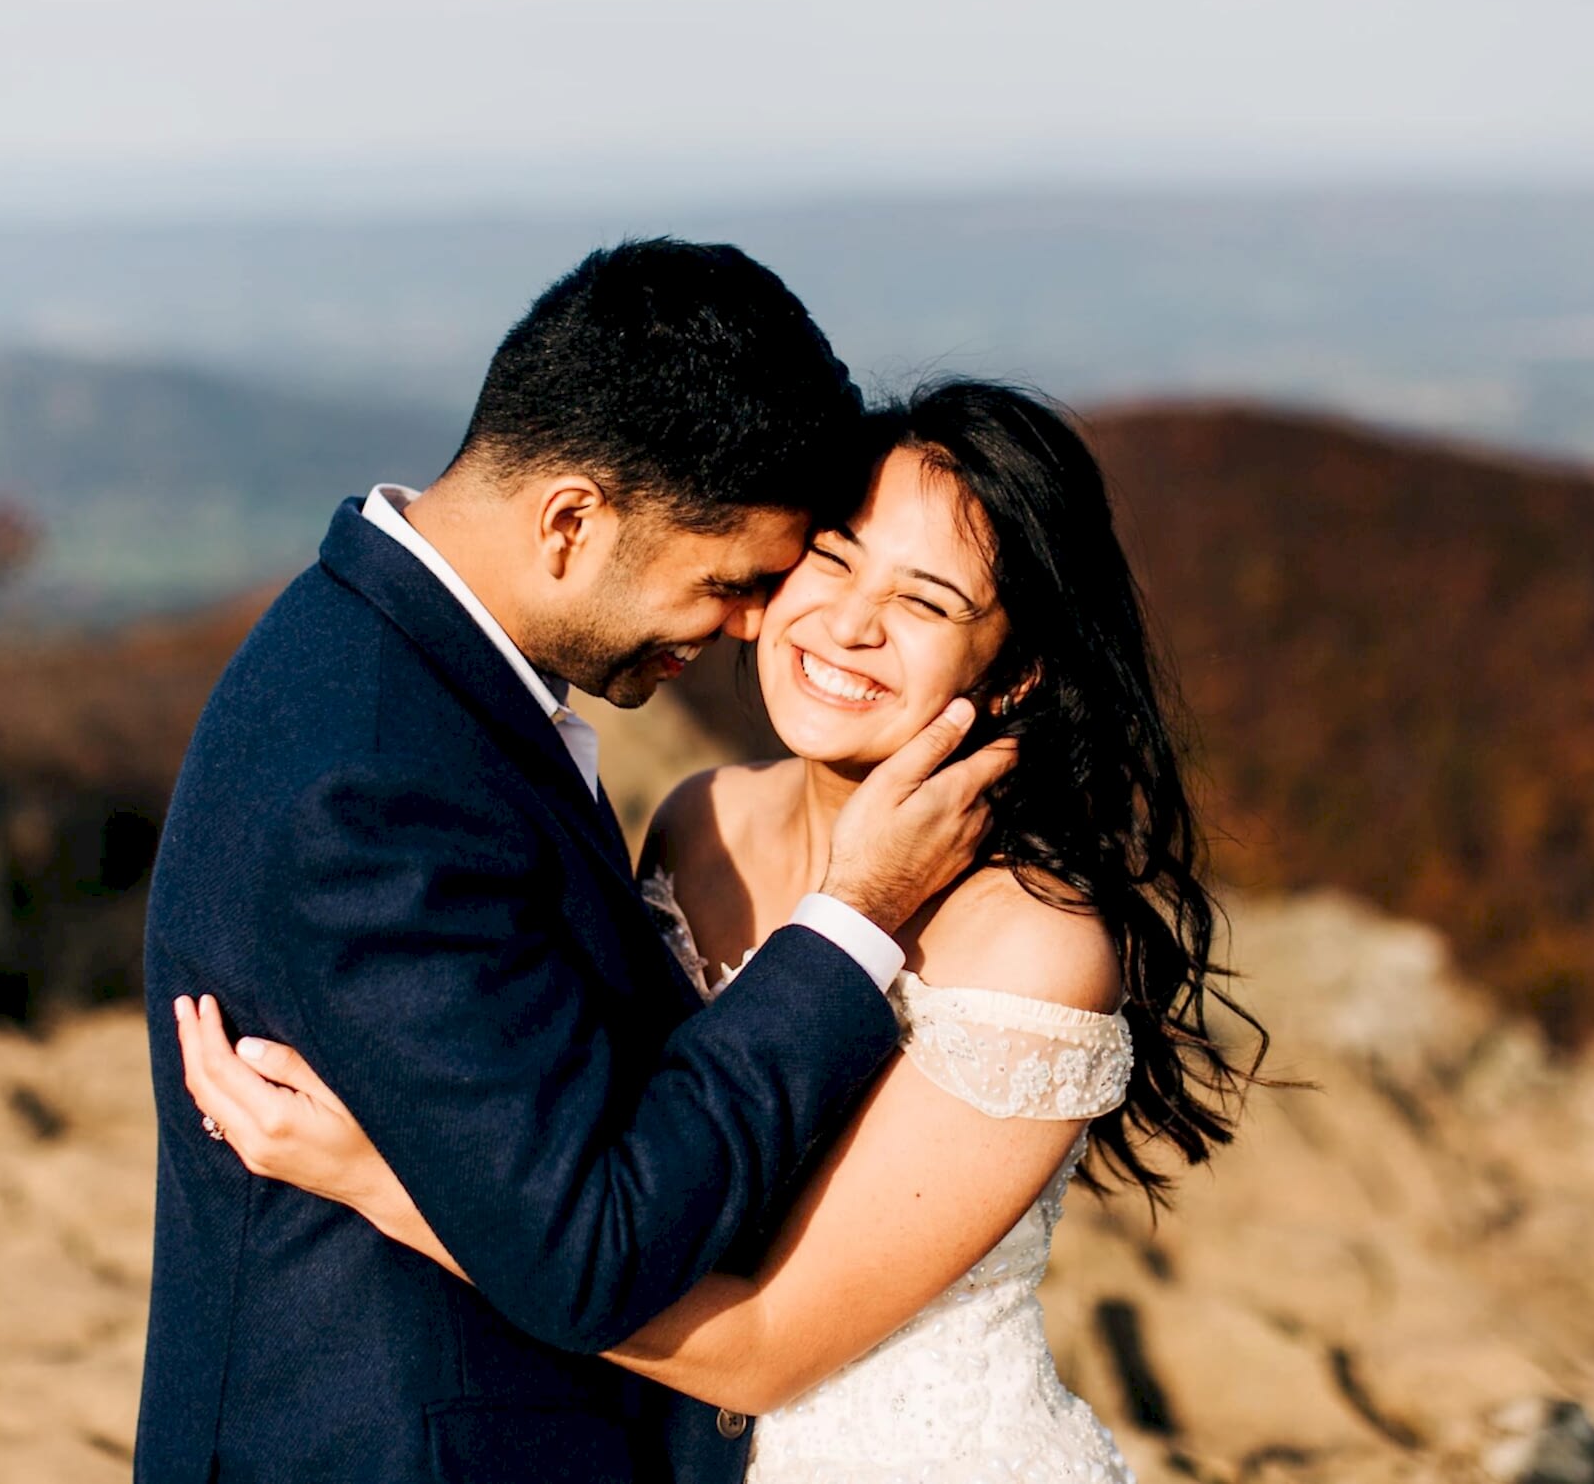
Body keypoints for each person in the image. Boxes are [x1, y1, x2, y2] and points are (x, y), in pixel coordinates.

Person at [180, 380, 1260, 1481]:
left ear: (1016, 671)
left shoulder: (1031, 939)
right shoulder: (702, 821)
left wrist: (387, 1182)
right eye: (833, 558)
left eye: (925, 602)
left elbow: (761, 1352)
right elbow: (627, 1158)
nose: (849, 623)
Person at [136, 242, 1018, 1484]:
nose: (753, 625)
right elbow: (584, 1253)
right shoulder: (379, 779)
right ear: (569, 521)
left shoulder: (377, 658)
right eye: (726, 582)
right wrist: (854, 917)